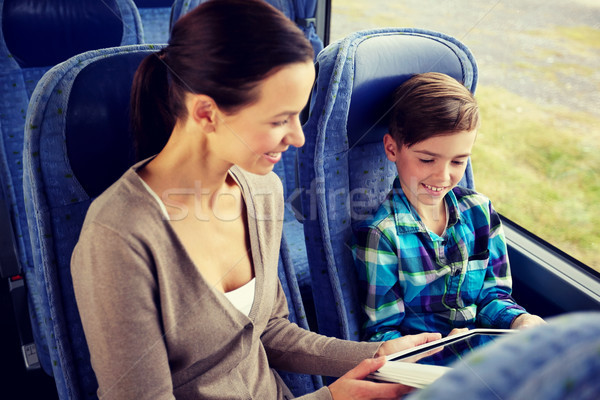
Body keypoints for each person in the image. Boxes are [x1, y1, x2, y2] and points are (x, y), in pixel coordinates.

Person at [70, 1, 441, 399]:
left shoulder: (263, 191)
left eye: (299, 115)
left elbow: (269, 329)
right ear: (207, 113)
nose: (298, 137)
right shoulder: (117, 238)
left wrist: (378, 355)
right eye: (280, 119)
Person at [352, 72, 545, 342]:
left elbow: (494, 297)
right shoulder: (381, 235)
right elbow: (383, 335)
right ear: (393, 149)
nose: (443, 177)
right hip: (425, 365)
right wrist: (446, 348)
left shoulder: (480, 212)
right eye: (428, 159)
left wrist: (520, 320)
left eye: (457, 162)